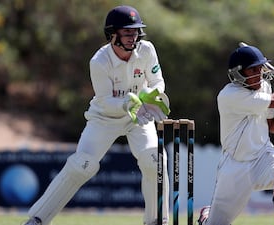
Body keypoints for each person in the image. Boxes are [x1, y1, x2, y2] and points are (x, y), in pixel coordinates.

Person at [23, 5, 170, 225]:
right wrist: (126, 103)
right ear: (113, 34)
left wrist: (152, 94)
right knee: (82, 164)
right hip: (105, 118)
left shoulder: (147, 50)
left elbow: (158, 82)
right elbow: (104, 101)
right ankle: (38, 219)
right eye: (127, 32)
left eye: (135, 31)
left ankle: (157, 221)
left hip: (139, 116)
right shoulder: (100, 61)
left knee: (155, 159)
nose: (133, 36)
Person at [197, 45, 274, 225]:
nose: (259, 73)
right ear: (238, 73)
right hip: (234, 167)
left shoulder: (265, 87)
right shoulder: (229, 95)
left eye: (261, 68)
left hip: (263, 158)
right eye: (254, 69)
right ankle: (207, 216)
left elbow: (273, 126)